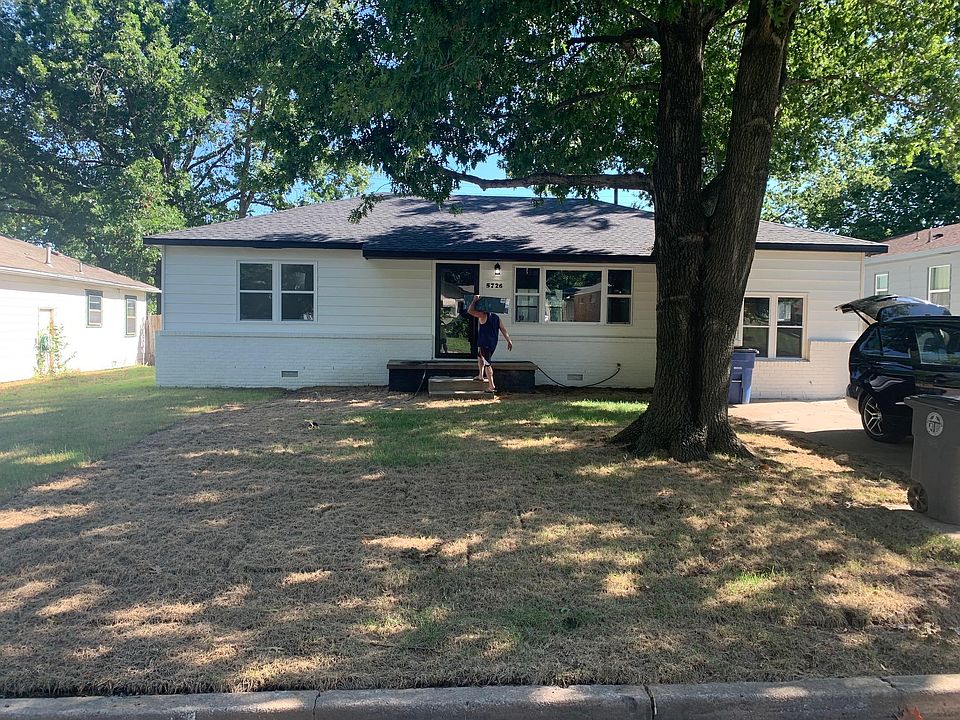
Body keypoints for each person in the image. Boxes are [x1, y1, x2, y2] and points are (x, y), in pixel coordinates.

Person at [467, 294, 513, 393]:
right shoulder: (496, 317)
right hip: (492, 343)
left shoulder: (483, 315)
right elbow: (503, 330)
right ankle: (480, 375)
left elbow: (470, 311)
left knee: (487, 363)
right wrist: (509, 340)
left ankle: (491, 386)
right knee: (480, 357)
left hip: (485, 344)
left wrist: (474, 300)